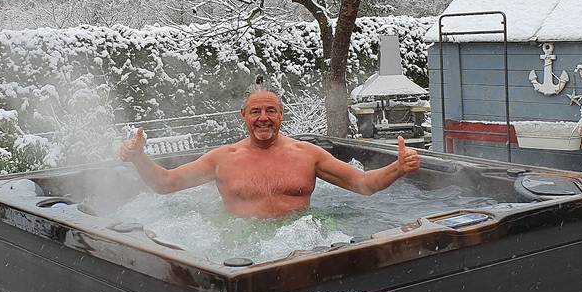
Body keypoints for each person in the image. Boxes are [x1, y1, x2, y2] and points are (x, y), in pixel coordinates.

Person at [118, 88, 421, 219]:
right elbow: (166, 184)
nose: (263, 117)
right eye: (256, 111)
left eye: (270, 111)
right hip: (244, 244)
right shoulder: (223, 159)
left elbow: (363, 184)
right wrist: (139, 158)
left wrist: (398, 167)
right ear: (244, 116)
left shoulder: (307, 154)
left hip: (303, 239)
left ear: (281, 116)